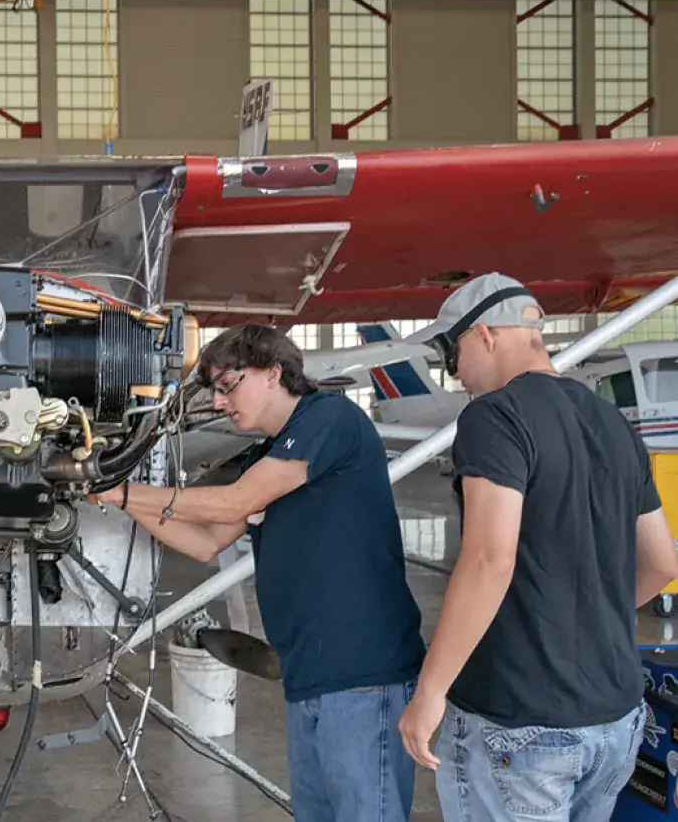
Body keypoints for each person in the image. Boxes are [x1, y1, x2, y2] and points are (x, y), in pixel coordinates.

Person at [89, 324, 425, 822]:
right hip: (307, 674)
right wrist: (115, 497)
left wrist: (122, 492)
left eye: (229, 385)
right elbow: (205, 541)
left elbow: (235, 502)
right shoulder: (264, 456)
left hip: (362, 673)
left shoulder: (329, 419)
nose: (221, 402)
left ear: (274, 373)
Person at [397, 272, 678, 821]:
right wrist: (585, 625)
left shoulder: (495, 416)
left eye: (451, 357)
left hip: (520, 722)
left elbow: (488, 558)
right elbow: (662, 561)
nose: (454, 377)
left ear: (485, 335)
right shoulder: (613, 423)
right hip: (615, 718)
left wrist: (430, 693)